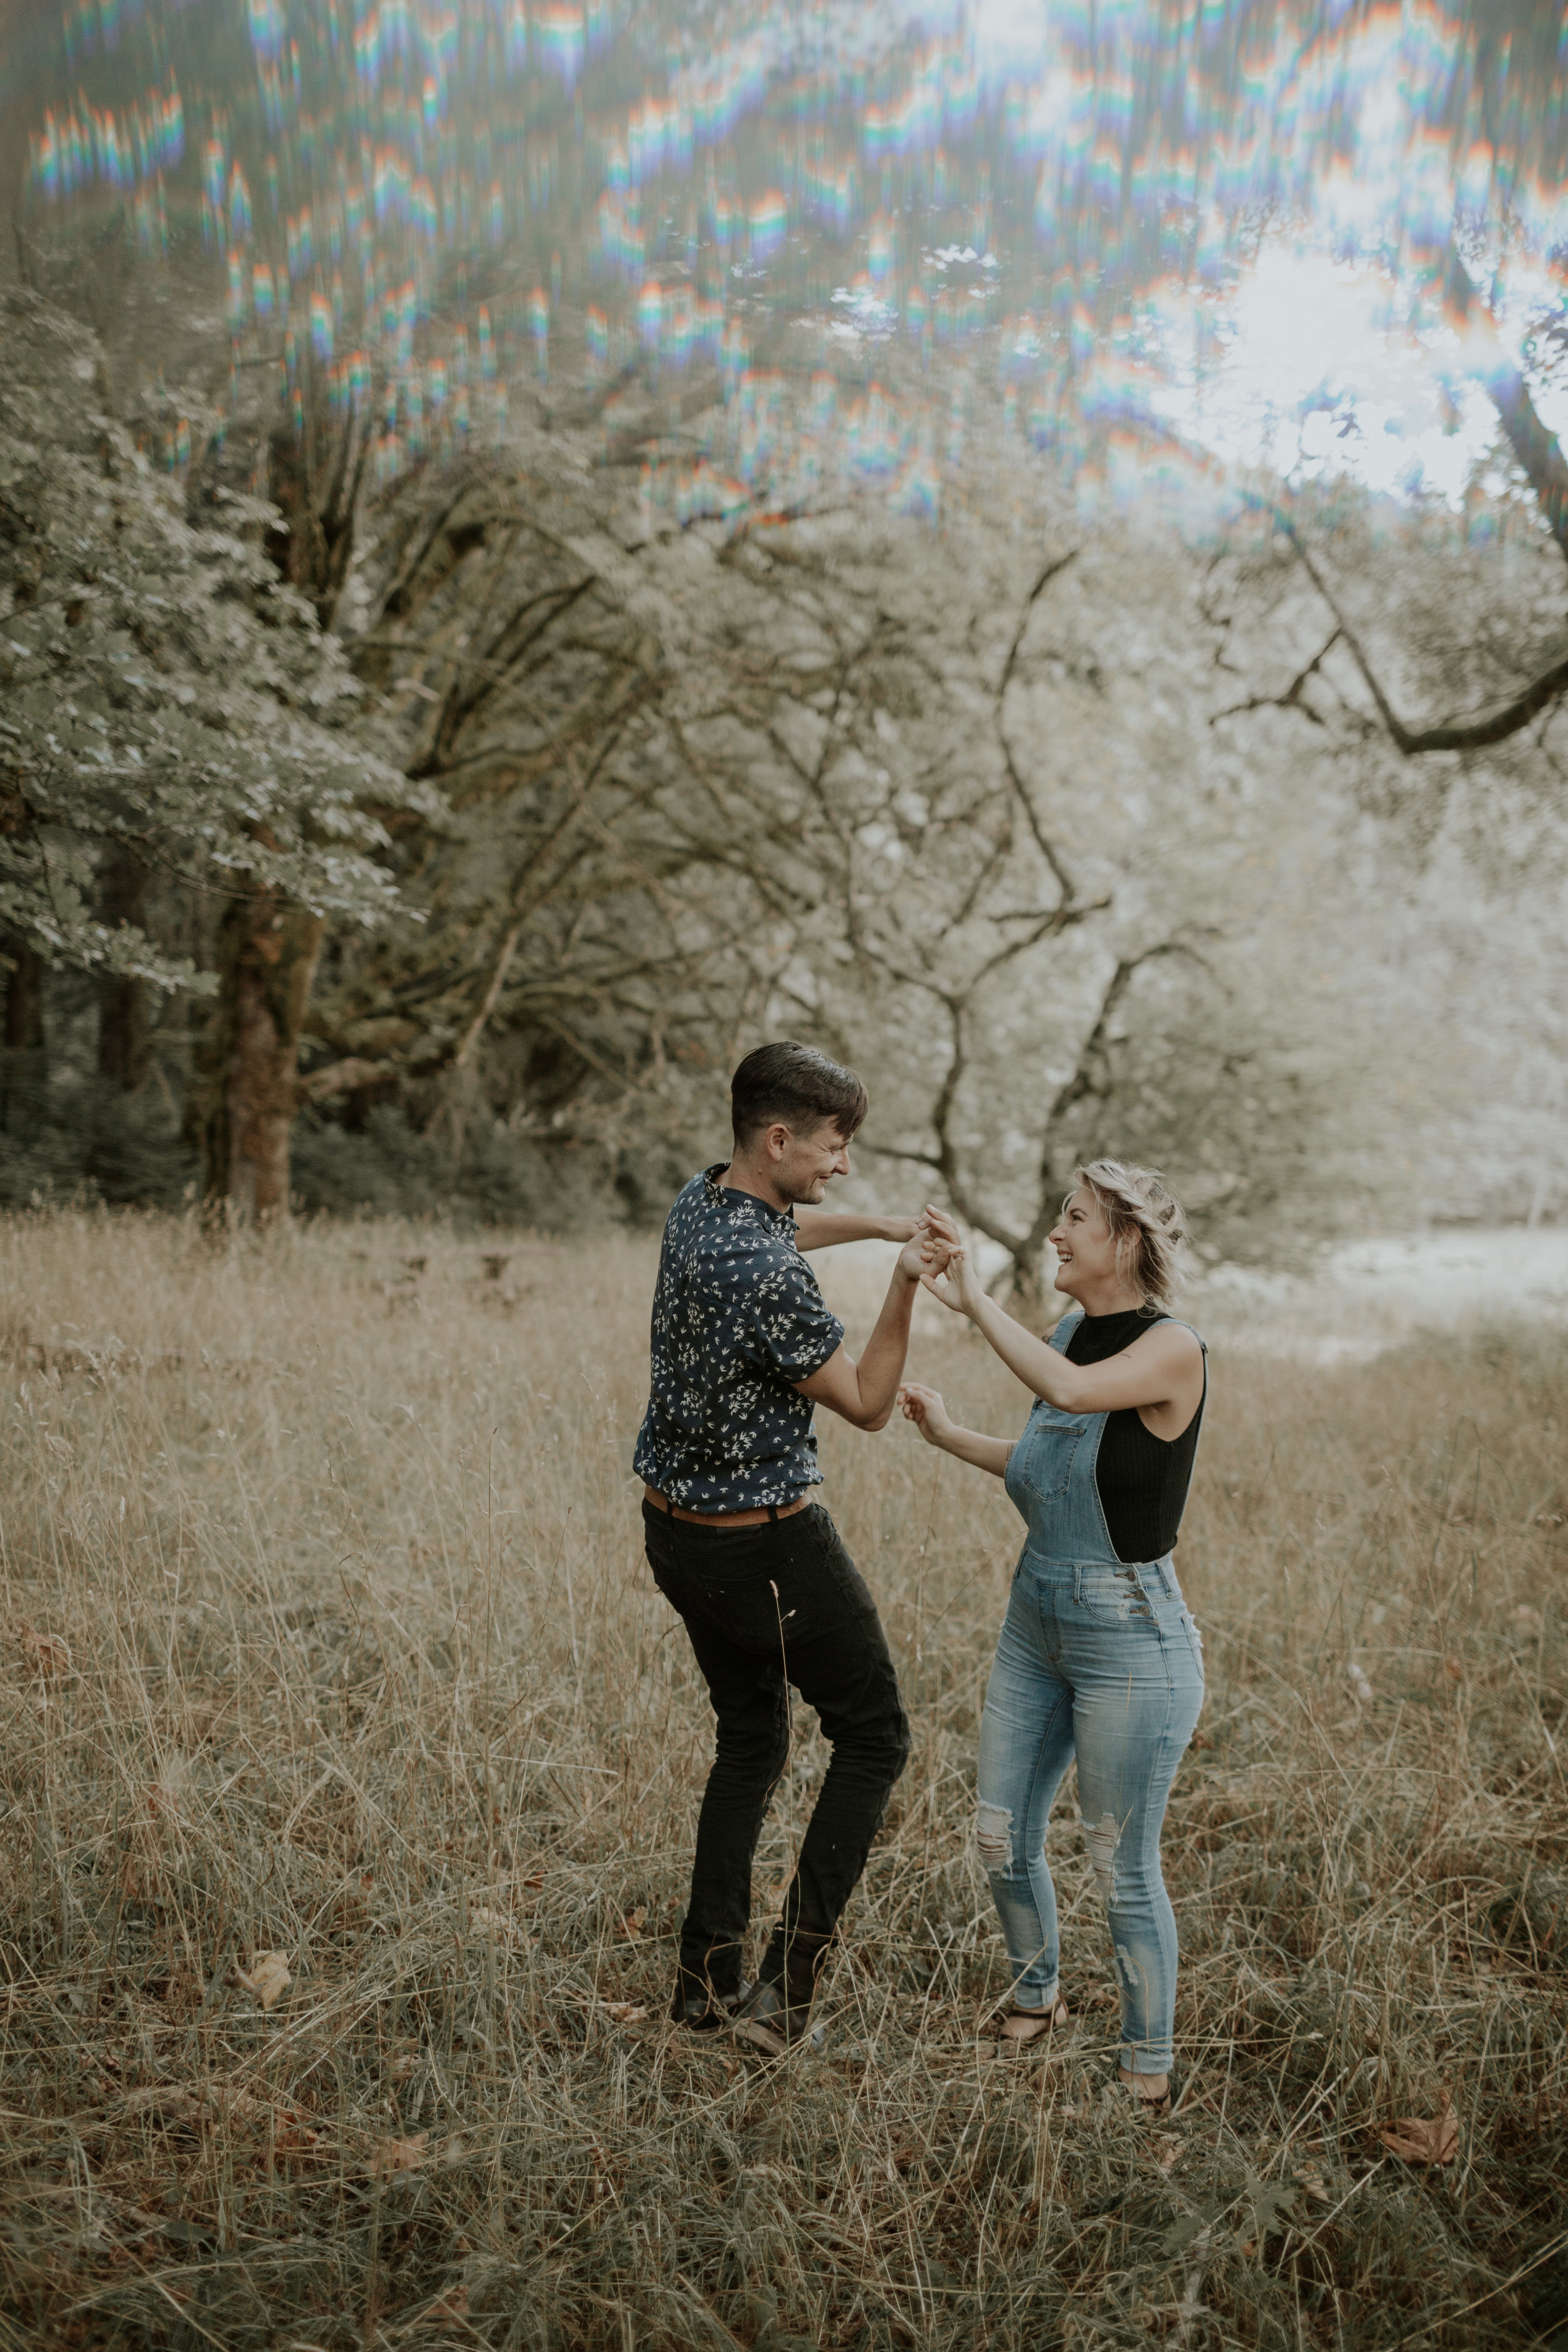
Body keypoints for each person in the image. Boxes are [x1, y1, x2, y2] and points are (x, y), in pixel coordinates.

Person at [635, 1040, 956, 2057]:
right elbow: (866, 1403)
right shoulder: (766, 1271)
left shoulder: (706, 1200)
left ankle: (701, 1982)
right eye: (834, 1146)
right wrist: (904, 1280)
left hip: (673, 1533)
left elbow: (789, 1223)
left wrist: (879, 1226)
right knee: (874, 1734)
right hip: (763, 1548)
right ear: (780, 1137)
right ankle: (782, 1999)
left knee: (753, 1736)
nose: (843, 1165)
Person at [899, 1160, 1207, 2112]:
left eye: (1075, 1218)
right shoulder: (1072, 1332)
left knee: (1119, 1863)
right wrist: (953, 1434)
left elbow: (1071, 1396)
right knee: (999, 1833)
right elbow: (1043, 1457)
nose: (1057, 1232)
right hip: (1036, 1619)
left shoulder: (1172, 1350)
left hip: (1131, 1639)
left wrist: (975, 1301)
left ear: (1125, 1240)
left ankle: (1145, 2069)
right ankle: (1037, 1992)